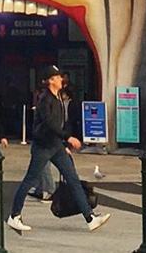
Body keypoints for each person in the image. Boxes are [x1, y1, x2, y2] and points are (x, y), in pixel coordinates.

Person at [7, 66, 108, 235]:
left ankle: (90, 218)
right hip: (43, 147)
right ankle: (14, 216)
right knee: (30, 180)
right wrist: (67, 137)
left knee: (73, 180)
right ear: (51, 80)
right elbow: (49, 124)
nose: (62, 79)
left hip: (56, 146)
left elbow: (59, 124)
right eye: (58, 77)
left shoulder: (58, 97)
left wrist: (63, 145)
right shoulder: (45, 99)